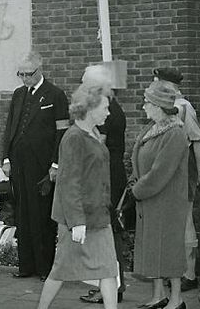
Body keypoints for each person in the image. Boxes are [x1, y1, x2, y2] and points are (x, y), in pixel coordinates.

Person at [36, 83, 120, 309]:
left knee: (109, 269)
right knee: (61, 270)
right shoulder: (73, 137)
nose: (108, 112)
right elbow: (68, 182)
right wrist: (77, 222)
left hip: (99, 217)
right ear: (90, 109)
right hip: (78, 219)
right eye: (104, 108)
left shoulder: (92, 133)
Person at [1, 51, 70, 280]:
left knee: (41, 216)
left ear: (39, 70)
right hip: (19, 165)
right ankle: (26, 265)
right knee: (23, 215)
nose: (24, 79)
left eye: (28, 74)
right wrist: (6, 158)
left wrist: (55, 164)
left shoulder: (55, 95)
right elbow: (10, 127)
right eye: (20, 74)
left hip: (42, 167)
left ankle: (44, 267)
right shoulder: (18, 94)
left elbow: (62, 132)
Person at [129, 79, 190, 309]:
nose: (143, 106)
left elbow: (161, 172)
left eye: (146, 102)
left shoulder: (174, 133)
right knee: (154, 248)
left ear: (157, 105)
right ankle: (158, 295)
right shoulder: (152, 128)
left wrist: (137, 190)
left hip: (167, 201)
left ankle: (176, 299)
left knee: (169, 249)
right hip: (150, 200)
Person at [153, 67, 200, 291]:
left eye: (156, 81)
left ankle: (190, 273)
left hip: (184, 166)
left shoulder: (184, 107)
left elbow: (198, 139)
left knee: (185, 220)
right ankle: (177, 270)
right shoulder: (163, 105)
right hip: (170, 166)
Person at [77, 64, 126, 305]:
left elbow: (96, 146)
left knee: (106, 234)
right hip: (108, 175)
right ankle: (109, 285)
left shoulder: (106, 111)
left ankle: (112, 285)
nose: (81, 88)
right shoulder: (109, 107)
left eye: (85, 83)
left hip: (107, 178)